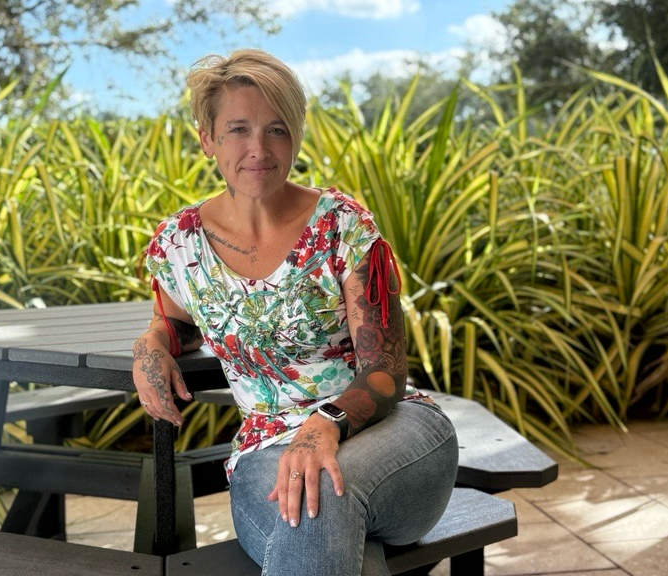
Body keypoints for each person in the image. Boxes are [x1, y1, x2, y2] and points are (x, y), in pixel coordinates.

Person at [132, 48, 458, 576]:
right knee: (317, 511)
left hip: (391, 436)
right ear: (207, 139)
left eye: (276, 130)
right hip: (266, 450)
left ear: (295, 137)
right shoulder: (179, 244)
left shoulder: (343, 227)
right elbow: (177, 322)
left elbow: (385, 371)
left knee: (319, 489)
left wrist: (324, 423)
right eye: (238, 129)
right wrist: (151, 343)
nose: (258, 148)